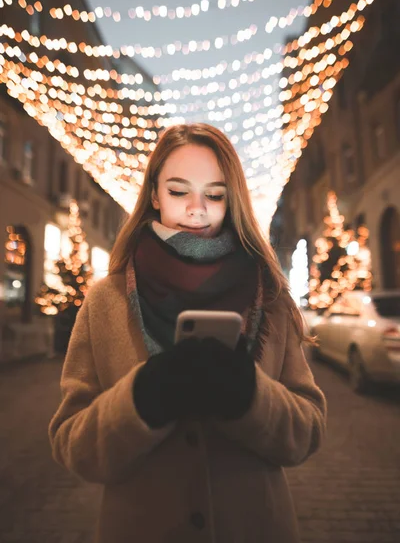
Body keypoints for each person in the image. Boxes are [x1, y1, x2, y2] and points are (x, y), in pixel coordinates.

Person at [49, 123, 327, 543]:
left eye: (214, 194)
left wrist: (249, 396)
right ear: (154, 195)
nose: (197, 209)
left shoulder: (269, 295)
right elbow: (72, 444)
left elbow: (308, 431)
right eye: (179, 191)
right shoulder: (105, 299)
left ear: (231, 200)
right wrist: (140, 400)